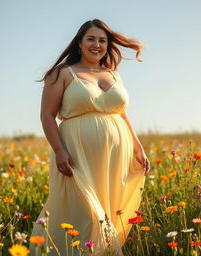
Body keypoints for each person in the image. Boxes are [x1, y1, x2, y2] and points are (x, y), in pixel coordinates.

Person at [29, 18, 150, 256]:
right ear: (80, 43)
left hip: (116, 156)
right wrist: (59, 151)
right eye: (91, 39)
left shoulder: (113, 73)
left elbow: (123, 115)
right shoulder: (62, 73)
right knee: (82, 211)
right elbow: (47, 114)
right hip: (76, 152)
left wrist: (138, 147)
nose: (97, 45)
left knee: (108, 209)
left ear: (107, 45)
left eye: (102, 41)